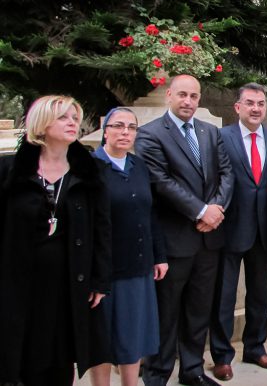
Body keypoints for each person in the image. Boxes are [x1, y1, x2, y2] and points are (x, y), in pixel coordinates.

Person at [0, 95, 111, 386]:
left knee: (60, 359)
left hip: (67, 283)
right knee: (19, 357)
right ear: (42, 124)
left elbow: (102, 230)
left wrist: (99, 280)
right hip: (20, 283)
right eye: (63, 117)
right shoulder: (9, 170)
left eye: (75, 118)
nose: (73, 123)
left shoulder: (88, 174)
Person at [135, 75, 234, 386]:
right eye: (182, 95)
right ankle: (157, 374)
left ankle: (192, 370)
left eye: (194, 96)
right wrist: (201, 210)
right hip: (174, 241)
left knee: (198, 310)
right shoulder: (150, 135)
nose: (188, 101)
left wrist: (216, 211)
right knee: (166, 314)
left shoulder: (210, 132)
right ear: (169, 95)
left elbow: (226, 174)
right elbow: (161, 182)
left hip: (209, 240)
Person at [210, 83, 267, 381]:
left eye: (261, 103)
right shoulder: (221, 137)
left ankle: (255, 347)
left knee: (260, 295)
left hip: (264, 231)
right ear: (237, 107)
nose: (256, 108)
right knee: (224, 297)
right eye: (250, 103)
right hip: (228, 230)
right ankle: (221, 355)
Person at [89, 108, 168, 386]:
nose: (125, 132)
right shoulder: (91, 168)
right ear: (105, 130)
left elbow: (150, 214)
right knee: (103, 337)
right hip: (105, 270)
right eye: (118, 126)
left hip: (138, 266)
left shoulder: (138, 166)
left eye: (131, 128)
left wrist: (159, 256)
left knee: (133, 336)